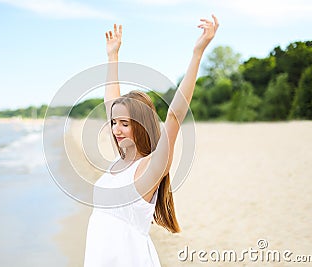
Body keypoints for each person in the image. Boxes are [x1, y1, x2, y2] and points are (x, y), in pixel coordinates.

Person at [84, 15, 219, 266]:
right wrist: (112, 57)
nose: (116, 129)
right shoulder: (119, 161)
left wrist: (197, 53)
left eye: (125, 124)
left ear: (141, 125)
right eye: (114, 122)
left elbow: (176, 114)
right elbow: (111, 101)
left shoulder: (150, 167)